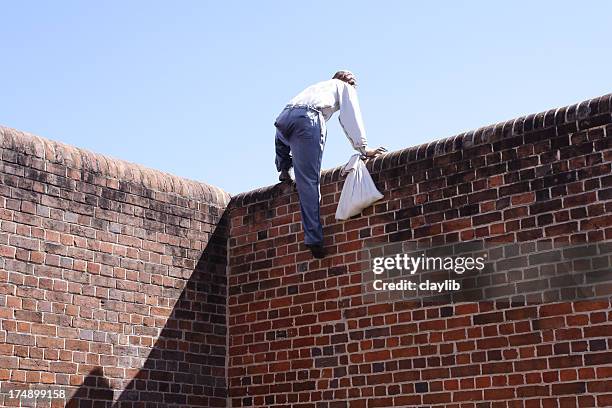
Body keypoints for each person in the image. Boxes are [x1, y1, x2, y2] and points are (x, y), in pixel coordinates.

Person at [274, 70, 387, 259]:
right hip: (307, 119)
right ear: (347, 81)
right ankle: (314, 239)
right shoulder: (343, 87)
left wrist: (283, 164)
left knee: (284, 142)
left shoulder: (317, 86)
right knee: (309, 181)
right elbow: (350, 117)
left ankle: (284, 169)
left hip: (283, 119)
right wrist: (363, 148)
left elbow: (286, 119)